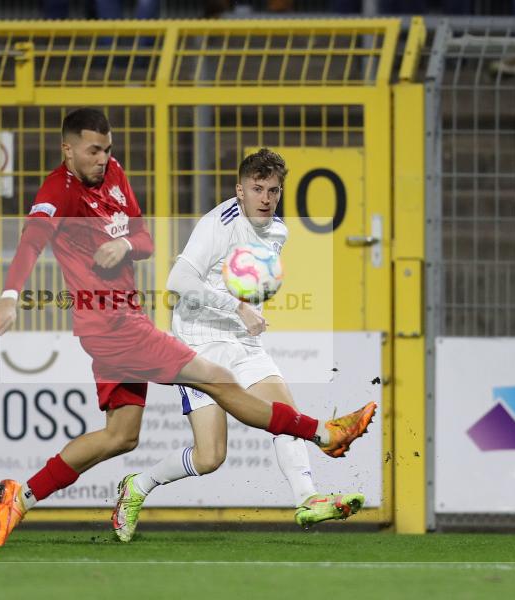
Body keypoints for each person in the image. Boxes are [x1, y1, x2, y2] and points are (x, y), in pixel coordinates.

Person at [0, 108, 376, 548]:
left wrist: (125, 244)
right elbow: (33, 240)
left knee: (121, 435)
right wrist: (9, 299)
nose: (103, 158)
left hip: (125, 318)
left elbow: (145, 241)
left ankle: (23, 495)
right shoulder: (59, 191)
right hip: (116, 326)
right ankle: (325, 433)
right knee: (222, 383)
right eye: (93, 150)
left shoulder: (114, 175)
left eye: (107, 149)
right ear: (67, 149)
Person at [110, 149, 367, 542]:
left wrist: (250, 308)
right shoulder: (219, 223)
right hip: (198, 341)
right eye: (257, 189)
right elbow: (178, 280)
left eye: (274, 191)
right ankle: (139, 485)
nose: (266, 198)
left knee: (285, 413)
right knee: (210, 457)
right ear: (240, 190)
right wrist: (239, 307)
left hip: (240, 338)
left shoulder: (279, 230)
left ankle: (308, 498)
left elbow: (246, 281)